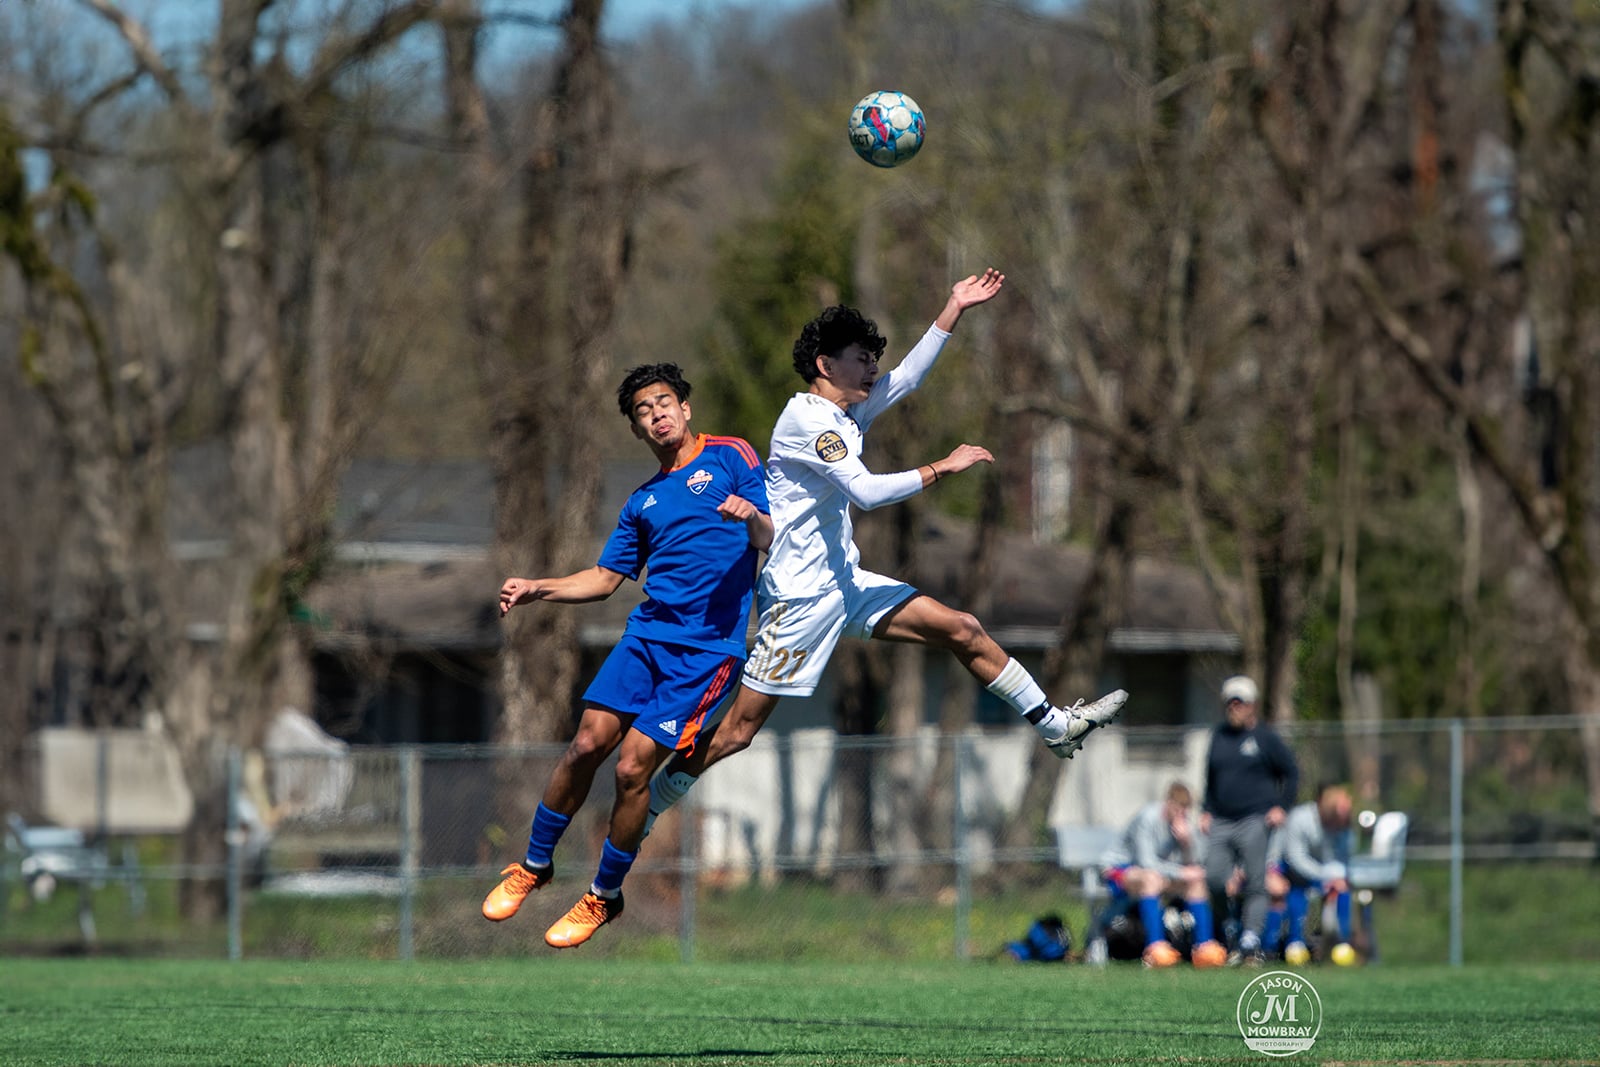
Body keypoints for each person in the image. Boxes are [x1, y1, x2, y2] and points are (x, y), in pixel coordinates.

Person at [642, 270, 1128, 833]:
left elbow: (909, 378)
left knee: (963, 628)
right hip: (797, 598)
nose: (873, 368)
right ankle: (652, 801)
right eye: (861, 358)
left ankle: (1056, 728)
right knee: (737, 734)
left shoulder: (845, 413)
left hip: (843, 584)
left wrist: (953, 308)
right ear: (826, 366)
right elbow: (867, 493)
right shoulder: (806, 419)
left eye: (874, 360)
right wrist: (940, 468)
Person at [481, 363, 772, 948]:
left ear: (685, 408)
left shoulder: (731, 456)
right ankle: (534, 866)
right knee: (586, 743)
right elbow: (605, 578)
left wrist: (753, 519)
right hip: (644, 640)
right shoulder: (642, 502)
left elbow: (772, 537)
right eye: (643, 411)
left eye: (663, 403)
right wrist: (541, 587)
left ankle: (603, 897)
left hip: (704, 652)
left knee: (632, 767)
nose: (656, 414)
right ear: (637, 431)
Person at [1200, 674, 1299, 965]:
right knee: (1214, 878)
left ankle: (1250, 938)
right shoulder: (1218, 736)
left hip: (1255, 819)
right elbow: (1210, 777)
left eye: (1240, 703)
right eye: (1230, 703)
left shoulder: (1265, 738)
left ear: (1251, 705)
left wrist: (1281, 806)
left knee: (1256, 882)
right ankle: (1228, 925)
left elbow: (1291, 772)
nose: (1235, 708)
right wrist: (1206, 809)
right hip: (1221, 819)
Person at [1098, 782, 1227, 968]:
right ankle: (1156, 948)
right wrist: (1181, 872)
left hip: (1159, 874)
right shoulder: (1148, 818)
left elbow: (1195, 862)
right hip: (1120, 869)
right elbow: (1145, 862)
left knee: (1196, 883)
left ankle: (1204, 948)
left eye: (1185, 810)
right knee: (1151, 879)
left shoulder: (1183, 824)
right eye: (1177, 809)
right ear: (1168, 803)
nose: (1180, 814)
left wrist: (1187, 842)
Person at [1264, 782, 1355, 964]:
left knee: (1343, 892)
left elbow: (1343, 858)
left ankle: (1342, 944)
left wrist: (1336, 878)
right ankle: (1292, 944)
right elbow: (1296, 858)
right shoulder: (1300, 818)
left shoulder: (1343, 825)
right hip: (1289, 868)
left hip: (1321, 872)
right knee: (1297, 893)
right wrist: (1326, 876)